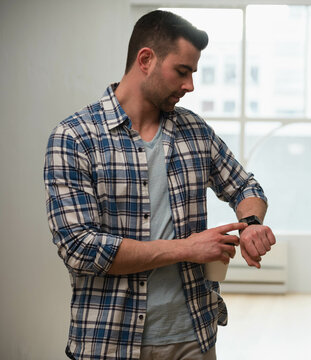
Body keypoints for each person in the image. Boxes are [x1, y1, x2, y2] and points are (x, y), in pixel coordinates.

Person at [44, 10, 275, 360]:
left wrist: (252, 225)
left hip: (193, 337)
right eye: (182, 72)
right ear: (146, 59)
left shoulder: (194, 130)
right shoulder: (74, 137)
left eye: (193, 73)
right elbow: (80, 248)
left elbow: (245, 187)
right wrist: (187, 249)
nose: (190, 86)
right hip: (108, 342)